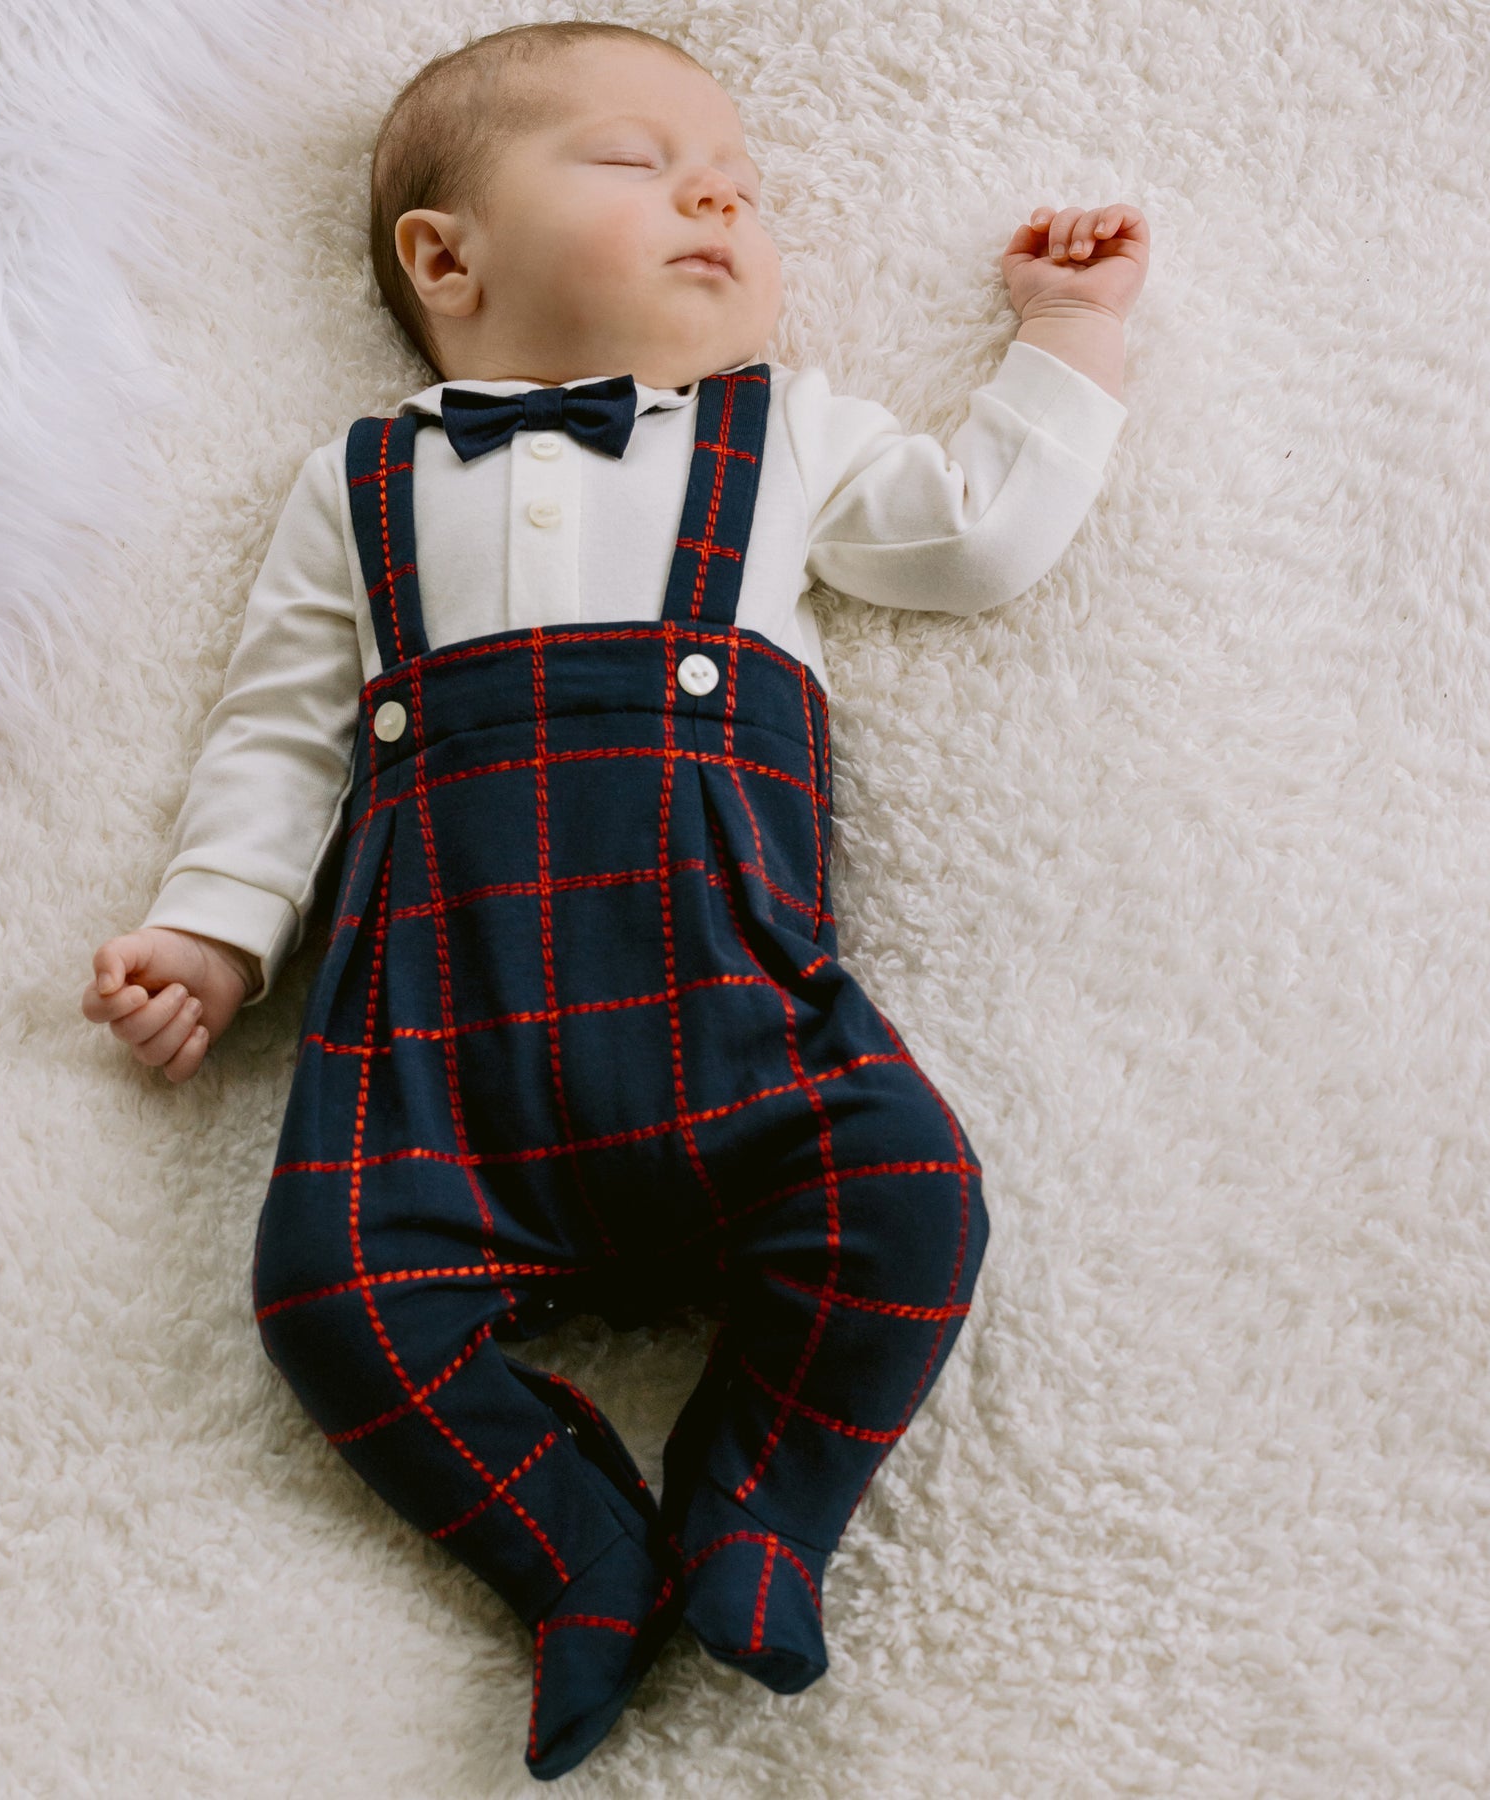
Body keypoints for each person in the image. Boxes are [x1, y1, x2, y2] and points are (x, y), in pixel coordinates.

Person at [81, 19, 1147, 1780]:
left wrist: (1068, 339)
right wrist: (212, 930)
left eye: (734, 173)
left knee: (916, 1199)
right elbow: (277, 737)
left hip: (737, 1023)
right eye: (637, 162)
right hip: (439, 1065)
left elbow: (973, 535)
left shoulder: (781, 433)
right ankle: (571, 1550)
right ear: (449, 256)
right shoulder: (361, 488)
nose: (715, 189)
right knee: (321, 1291)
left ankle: (757, 1502)